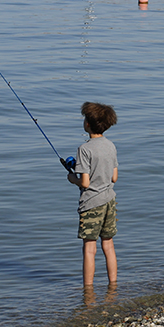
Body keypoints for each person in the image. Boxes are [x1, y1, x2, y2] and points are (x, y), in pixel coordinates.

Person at [67, 102, 119, 287]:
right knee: (108, 244)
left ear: (87, 124)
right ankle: (113, 285)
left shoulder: (84, 149)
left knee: (89, 249)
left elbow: (85, 182)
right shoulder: (110, 146)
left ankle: (88, 291)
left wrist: (72, 178)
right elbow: (114, 177)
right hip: (109, 200)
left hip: (91, 203)